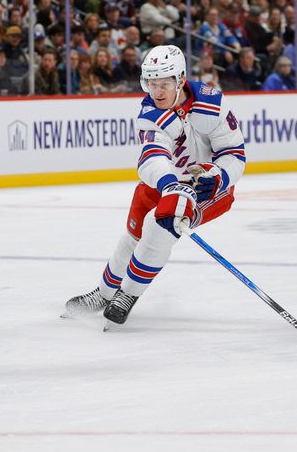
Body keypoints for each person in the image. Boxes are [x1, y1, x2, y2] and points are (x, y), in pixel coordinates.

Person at [63, 45, 246, 328]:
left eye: (164, 84)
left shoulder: (212, 104)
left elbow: (235, 154)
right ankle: (104, 293)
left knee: (161, 224)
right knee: (133, 234)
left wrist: (219, 176)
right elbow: (152, 159)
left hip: (207, 187)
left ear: (181, 80)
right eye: (151, 83)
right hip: (166, 182)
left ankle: (127, 296)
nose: (156, 91)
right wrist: (170, 183)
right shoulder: (151, 112)